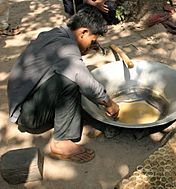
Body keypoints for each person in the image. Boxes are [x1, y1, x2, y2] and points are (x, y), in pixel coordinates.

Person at [7, 4, 119, 163]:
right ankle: (61, 142)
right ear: (83, 32)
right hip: (28, 114)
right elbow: (83, 79)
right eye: (92, 40)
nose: (92, 45)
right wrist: (108, 103)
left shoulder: (56, 34)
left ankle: (68, 121)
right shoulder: (66, 48)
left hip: (26, 101)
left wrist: (88, 47)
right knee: (71, 81)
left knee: (72, 77)